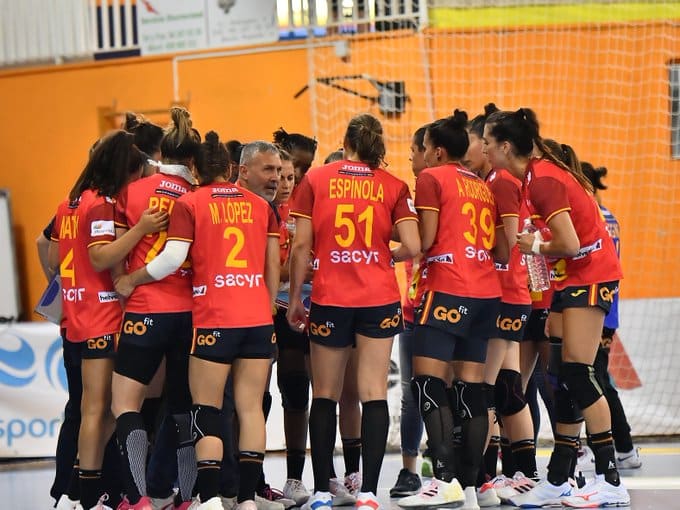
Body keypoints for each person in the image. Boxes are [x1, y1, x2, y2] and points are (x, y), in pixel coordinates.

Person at [115, 131, 281, 510]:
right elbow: (273, 266)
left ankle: (207, 499)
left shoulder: (190, 203)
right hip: (257, 318)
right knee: (251, 409)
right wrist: (266, 305)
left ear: (194, 168)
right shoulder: (260, 205)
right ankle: (245, 500)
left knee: (205, 409)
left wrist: (132, 279)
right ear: (231, 168)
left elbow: (172, 259)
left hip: (214, 318)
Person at [482, 108, 629, 507]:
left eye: (487, 142)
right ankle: (559, 477)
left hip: (590, 275)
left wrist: (536, 246)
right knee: (560, 375)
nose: (483, 148)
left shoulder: (544, 178)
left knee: (580, 373)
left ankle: (610, 480)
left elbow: (571, 243)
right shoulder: (533, 177)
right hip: (571, 280)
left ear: (505, 146)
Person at [287, 113, 421, 510]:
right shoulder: (393, 185)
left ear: (345, 143)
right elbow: (413, 246)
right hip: (379, 296)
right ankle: (368, 494)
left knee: (325, 395)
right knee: (372, 394)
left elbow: (299, 249)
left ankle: (325, 493)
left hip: (331, 296)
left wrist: (295, 297)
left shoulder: (317, 179)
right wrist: (382, 254)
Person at [48, 130, 168, 510]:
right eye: (134, 175)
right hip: (101, 316)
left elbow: (49, 253)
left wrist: (69, 287)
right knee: (102, 408)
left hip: (78, 314)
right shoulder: (101, 204)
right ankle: (87, 493)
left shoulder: (70, 202)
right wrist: (141, 229)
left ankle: (83, 486)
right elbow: (101, 257)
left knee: (96, 408)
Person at [398, 111, 508, 510]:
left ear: (438, 151)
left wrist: (393, 241)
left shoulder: (430, 178)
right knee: (471, 389)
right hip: (485, 291)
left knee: (428, 383)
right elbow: (502, 247)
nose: (422, 155)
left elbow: (424, 240)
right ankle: (475, 485)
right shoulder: (481, 184)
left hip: (447, 286)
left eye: (424, 148)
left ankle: (443, 481)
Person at [112, 107, 201, 510]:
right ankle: (187, 497)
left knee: (125, 404)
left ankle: (139, 499)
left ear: (158, 155)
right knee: (183, 408)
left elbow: (115, 253)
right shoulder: (198, 198)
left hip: (145, 308)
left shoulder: (133, 192)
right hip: (190, 313)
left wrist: (125, 281)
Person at [468, 103, 539, 504]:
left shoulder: (501, 181)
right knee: (508, 387)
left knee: (486, 387)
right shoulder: (497, 178)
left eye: (482, 143)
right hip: (508, 293)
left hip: (504, 293)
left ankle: (485, 477)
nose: (480, 150)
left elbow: (508, 244)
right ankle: (519, 474)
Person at [578, 162, 641, 470]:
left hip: (594, 308)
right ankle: (617, 446)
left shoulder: (593, 219)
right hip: (607, 308)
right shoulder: (610, 217)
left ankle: (623, 447)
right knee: (596, 378)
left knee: (596, 379)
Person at [389, 124, 428, 499]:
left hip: (444, 306)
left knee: (443, 390)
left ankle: (460, 470)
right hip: (413, 309)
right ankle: (410, 469)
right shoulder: (408, 198)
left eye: (415, 150)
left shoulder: (444, 194)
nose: (411, 159)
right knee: (412, 393)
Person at [271, 149, 312, 507]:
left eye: (289, 178)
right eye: (279, 176)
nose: (284, 184)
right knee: (276, 393)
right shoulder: (260, 211)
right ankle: (249, 480)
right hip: (272, 312)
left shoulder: (306, 211)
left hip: (311, 310)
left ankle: (297, 477)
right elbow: (270, 271)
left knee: (306, 392)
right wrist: (297, 271)